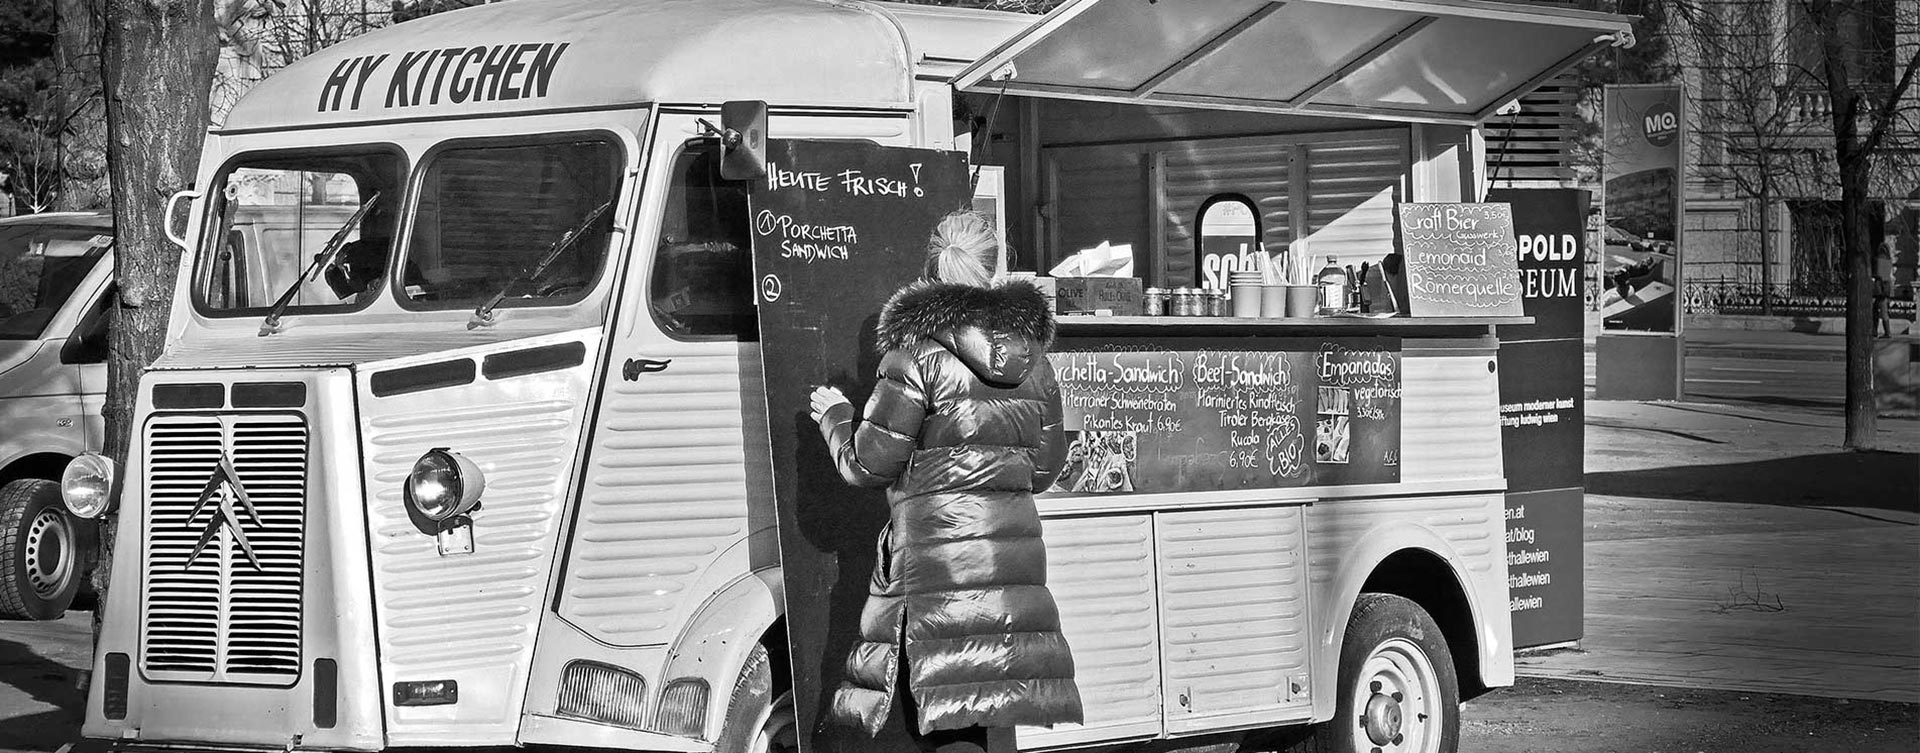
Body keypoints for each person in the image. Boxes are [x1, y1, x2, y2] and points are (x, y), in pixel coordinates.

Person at [807, 209, 1082, 753]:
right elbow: (1046, 470)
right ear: (995, 266)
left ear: (931, 268)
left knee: (937, 721)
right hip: (1010, 572)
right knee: (992, 720)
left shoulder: (913, 357)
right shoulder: (1035, 362)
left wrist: (834, 417)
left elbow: (868, 464)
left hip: (934, 574)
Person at [1874, 237, 1894, 337]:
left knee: (1881, 310)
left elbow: (1878, 274)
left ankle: (1886, 332)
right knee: (1881, 309)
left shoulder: (1879, 260)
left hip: (1880, 287)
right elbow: (1887, 275)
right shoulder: (1889, 260)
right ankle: (1880, 331)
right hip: (1887, 287)